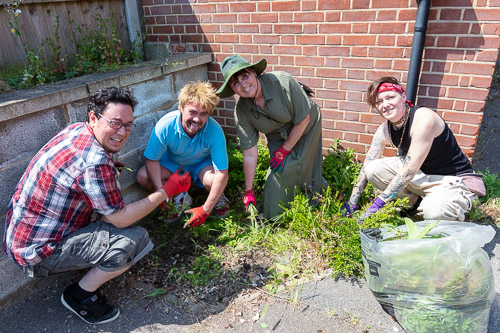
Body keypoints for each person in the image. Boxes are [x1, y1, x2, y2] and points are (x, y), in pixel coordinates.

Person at [3, 87, 191, 325]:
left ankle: (84, 266)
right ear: (93, 117)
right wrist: (168, 190)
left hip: (25, 237)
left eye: (128, 124)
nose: (123, 132)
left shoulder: (77, 131)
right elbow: (120, 218)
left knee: (110, 219)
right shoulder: (94, 162)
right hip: (39, 253)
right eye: (115, 123)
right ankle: (79, 296)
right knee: (134, 239)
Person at [342, 77, 484, 221]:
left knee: (434, 212)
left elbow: (408, 172)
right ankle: (412, 207)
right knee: (372, 169)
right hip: (422, 177)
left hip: (451, 179)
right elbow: (366, 169)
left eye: (390, 97)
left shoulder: (424, 119)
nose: (385, 104)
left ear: (403, 96)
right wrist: (351, 203)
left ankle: (451, 211)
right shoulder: (385, 130)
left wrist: (378, 204)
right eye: (379, 102)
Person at [216, 55, 325, 219]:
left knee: (302, 164)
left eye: (244, 76)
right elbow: (250, 153)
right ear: (232, 89)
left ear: (253, 73)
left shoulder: (282, 81)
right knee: (277, 172)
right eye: (235, 83)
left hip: (306, 123)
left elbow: (304, 119)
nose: (243, 85)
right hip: (277, 135)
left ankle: (317, 198)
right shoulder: (242, 111)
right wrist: (248, 189)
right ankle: (274, 215)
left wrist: (285, 150)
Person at [136, 81, 229, 227]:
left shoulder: (215, 131)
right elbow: (151, 159)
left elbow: (222, 172)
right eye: (192, 112)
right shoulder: (165, 126)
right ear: (181, 108)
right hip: (173, 162)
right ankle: (180, 195)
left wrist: (205, 210)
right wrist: (161, 193)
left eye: (204, 114)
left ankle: (218, 197)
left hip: (201, 164)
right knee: (143, 177)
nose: (197, 119)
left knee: (215, 180)